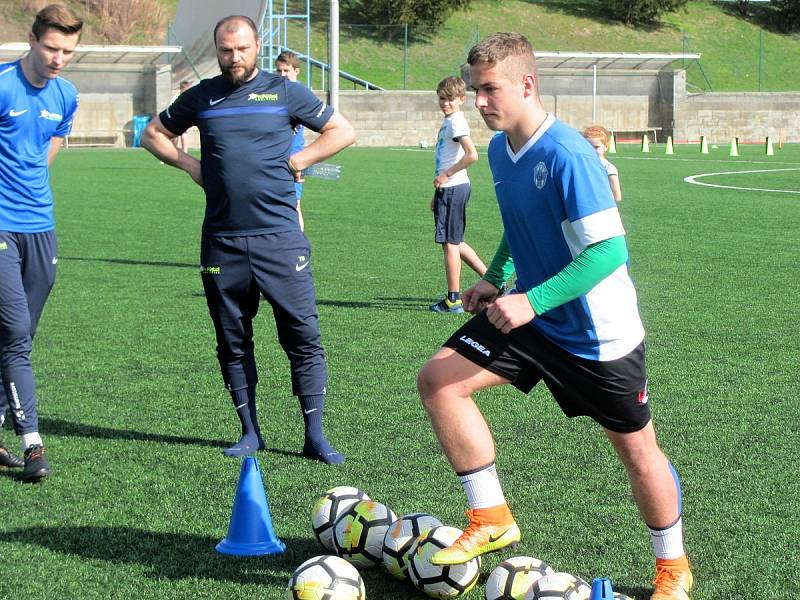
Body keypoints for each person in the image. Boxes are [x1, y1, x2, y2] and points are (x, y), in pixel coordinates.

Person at [416, 33, 692, 600]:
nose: (480, 101)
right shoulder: (498, 150)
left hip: (598, 337)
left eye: (490, 89)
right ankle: (491, 515)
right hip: (532, 319)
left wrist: (531, 300)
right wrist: (495, 277)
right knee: (439, 381)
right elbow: (523, 226)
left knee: (637, 451)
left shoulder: (567, 153)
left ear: (526, 83)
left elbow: (610, 250)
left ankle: (673, 567)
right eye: (474, 90)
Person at [141, 15, 355, 464]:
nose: (233, 58)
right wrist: (191, 166)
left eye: (241, 48)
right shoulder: (201, 97)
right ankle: (250, 432)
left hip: (280, 238)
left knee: (303, 335)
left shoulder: (284, 91)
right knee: (232, 339)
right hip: (222, 240)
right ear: (217, 51)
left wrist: (301, 158)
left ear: (257, 45)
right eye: (225, 50)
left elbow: (342, 130)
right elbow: (153, 134)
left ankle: (315, 435)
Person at [0, 4, 83, 482]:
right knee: (14, 333)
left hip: (41, 227)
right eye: (52, 48)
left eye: (67, 51)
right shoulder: (3, 84)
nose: (58, 58)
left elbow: (51, 145)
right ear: (32, 40)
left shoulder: (66, 95)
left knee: (21, 335)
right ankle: (32, 443)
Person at [429, 76, 487, 314]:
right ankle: (492, 278)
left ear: (461, 99)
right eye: (442, 99)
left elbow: (472, 154)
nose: (446, 103)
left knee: (450, 244)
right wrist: (437, 191)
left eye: (451, 99)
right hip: (448, 189)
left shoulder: (456, 123)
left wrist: (446, 176)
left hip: (454, 187)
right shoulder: (451, 121)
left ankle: (453, 300)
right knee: (457, 241)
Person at [274, 51, 308, 231]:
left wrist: (300, 164)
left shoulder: (300, 96)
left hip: (292, 163)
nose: (282, 75)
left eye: (286, 70)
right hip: (272, 161)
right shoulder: (274, 95)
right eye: (278, 71)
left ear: (296, 71)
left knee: (294, 207)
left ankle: (299, 251)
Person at [583, 125, 622, 202]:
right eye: (588, 146)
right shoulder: (582, 165)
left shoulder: (609, 168)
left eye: (596, 147)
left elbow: (617, 197)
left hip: (603, 208)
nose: (592, 150)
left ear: (606, 146)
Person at [171, 80, 192, 152]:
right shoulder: (176, 97)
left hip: (185, 118)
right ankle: (173, 151)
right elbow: (171, 107)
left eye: (188, 88)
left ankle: (185, 152)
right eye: (185, 88)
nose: (186, 90)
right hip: (176, 118)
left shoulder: (190, 97)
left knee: (184, 134)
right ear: (181, 88)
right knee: (175, 137)